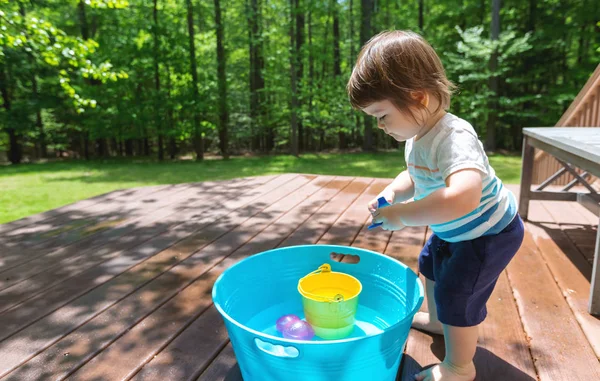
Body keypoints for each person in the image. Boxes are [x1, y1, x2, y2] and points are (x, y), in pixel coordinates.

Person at [346, 30, 525, 381]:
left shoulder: (454, 137)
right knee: (428, 267)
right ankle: (439, 321)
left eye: (381, 115)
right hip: (454, 229)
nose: (380, 126)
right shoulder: (417, 137)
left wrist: (402, 215)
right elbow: (413, 175)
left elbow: (464, 196)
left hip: (487, 233)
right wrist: (393, 193)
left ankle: (460, 366)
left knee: (459, 293)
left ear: (418, 98)